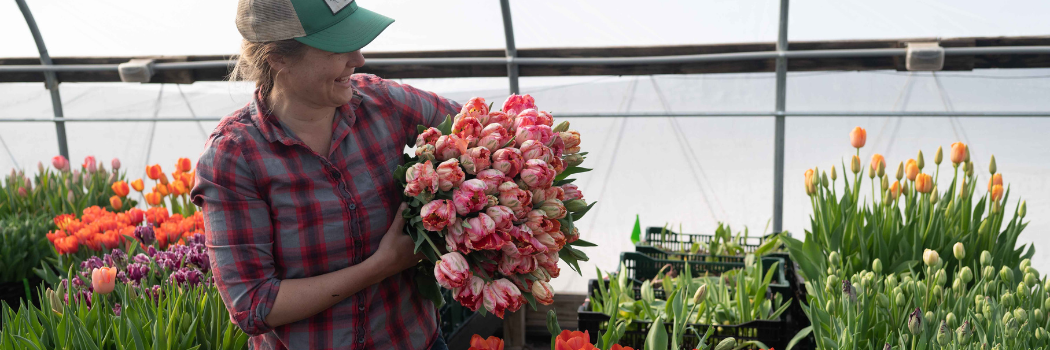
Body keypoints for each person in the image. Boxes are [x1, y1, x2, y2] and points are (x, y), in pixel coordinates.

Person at [189, 1, 461, 349]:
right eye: (338, 45)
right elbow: (254, 305)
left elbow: (483, 133)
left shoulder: (382, 102)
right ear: (278, 57)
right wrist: (383, 264)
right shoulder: (235, 158)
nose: (358, 59)